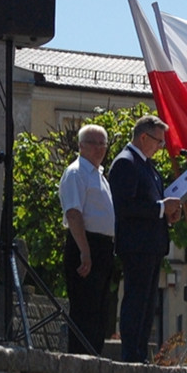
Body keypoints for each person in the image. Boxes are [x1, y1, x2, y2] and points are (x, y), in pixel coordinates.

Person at [109, 115, 183, 363]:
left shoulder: (148, 167)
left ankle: (140, 354)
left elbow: (152, 205)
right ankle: (130, 355)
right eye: (158, 142)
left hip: (152, 245)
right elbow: (125, 207)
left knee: (147, 304)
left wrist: (168, 215)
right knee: (136, 300)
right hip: (136, 245)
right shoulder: (126, 163)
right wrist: (162, 208)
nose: (160, 147)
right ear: (143, 137)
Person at [58, 124, 115, 354]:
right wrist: (85, 251)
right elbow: (73, 213)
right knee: (84, 309)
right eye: (93, 143)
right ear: (81, 146)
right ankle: (81, 360)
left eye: (103, 143)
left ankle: (94, 358)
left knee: (99, 310)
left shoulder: (99, 175)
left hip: (102, 247)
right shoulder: (76, 172)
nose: (99, 148)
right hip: (85, 244)